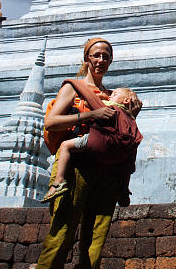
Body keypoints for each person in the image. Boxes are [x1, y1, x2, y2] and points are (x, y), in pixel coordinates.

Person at [36, 37, 134, 269]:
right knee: (62, 232)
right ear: (86, 59)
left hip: (106, 168)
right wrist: (90, 116)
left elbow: (123, 134)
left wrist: (131, 115)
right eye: (96, 55)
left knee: (96, 239)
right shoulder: (73, 88)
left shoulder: (113, 96)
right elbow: (51, 122)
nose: (101, 60)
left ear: (111, 61)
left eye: (106, 57)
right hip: (76, 163)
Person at [42, 86, 142, 203]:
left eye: (114, 94)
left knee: (65, 146)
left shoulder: (109, 106)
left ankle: (58, 182)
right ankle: (124, 189)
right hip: (121, 147)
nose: (110, 96)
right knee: (127, 167)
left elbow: (87, 103)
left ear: (126, 101)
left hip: (100, 140)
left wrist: (101, 96)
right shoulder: (130, 116)